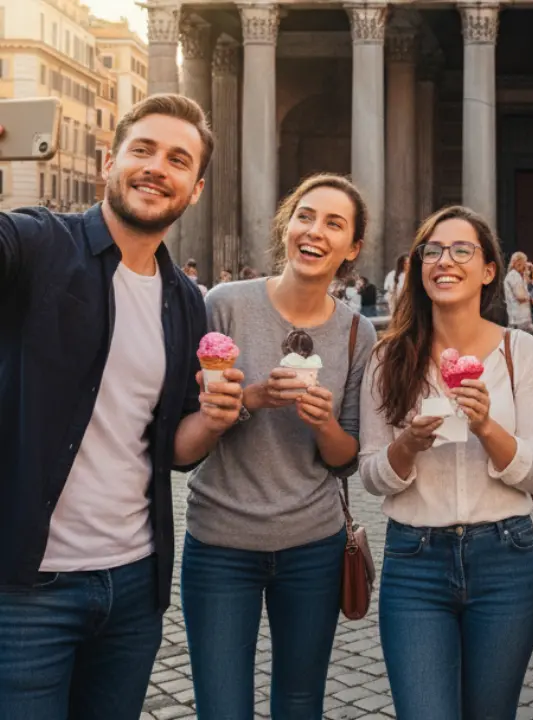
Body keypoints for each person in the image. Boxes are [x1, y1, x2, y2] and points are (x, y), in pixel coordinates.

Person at [0, 94, 244, 717]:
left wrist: (213, 421)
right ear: (109, 161)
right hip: (27, 587)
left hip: (133, 585)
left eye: (178, 159)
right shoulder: (37, 243)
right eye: (143, 150)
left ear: (194, 188)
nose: (157, 167)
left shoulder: (185, 300)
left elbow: (173, 454)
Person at [180, 173, 377, 718]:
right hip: (220, 541)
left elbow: (346, 458)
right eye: (305, 216)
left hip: (312, 545)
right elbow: (187, 431)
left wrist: (322, 423)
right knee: (221, 707)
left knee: (299, 702)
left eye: (334, 224)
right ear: (287, 227)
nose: (315, 232)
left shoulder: (360, 334)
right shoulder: (225, 306)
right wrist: (254, 398)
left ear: (352, 248)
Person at [359, 205, 533, 720]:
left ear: (489, 269)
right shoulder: (389, 357)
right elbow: (371, 475)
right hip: (415, 562)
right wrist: (408, 446)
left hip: (506, 559)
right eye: (433, 250)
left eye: (462, 249)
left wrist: (487, 426)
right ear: (418, 267)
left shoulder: (520, 352)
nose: (446, 260)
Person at [504, 250, 532, 328]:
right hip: (518, 319)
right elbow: (521, 297)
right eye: (525, 262)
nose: (526, 265)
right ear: (519, 263)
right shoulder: (514, 276)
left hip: (521, 319)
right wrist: (528, 296)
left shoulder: (517, 276)